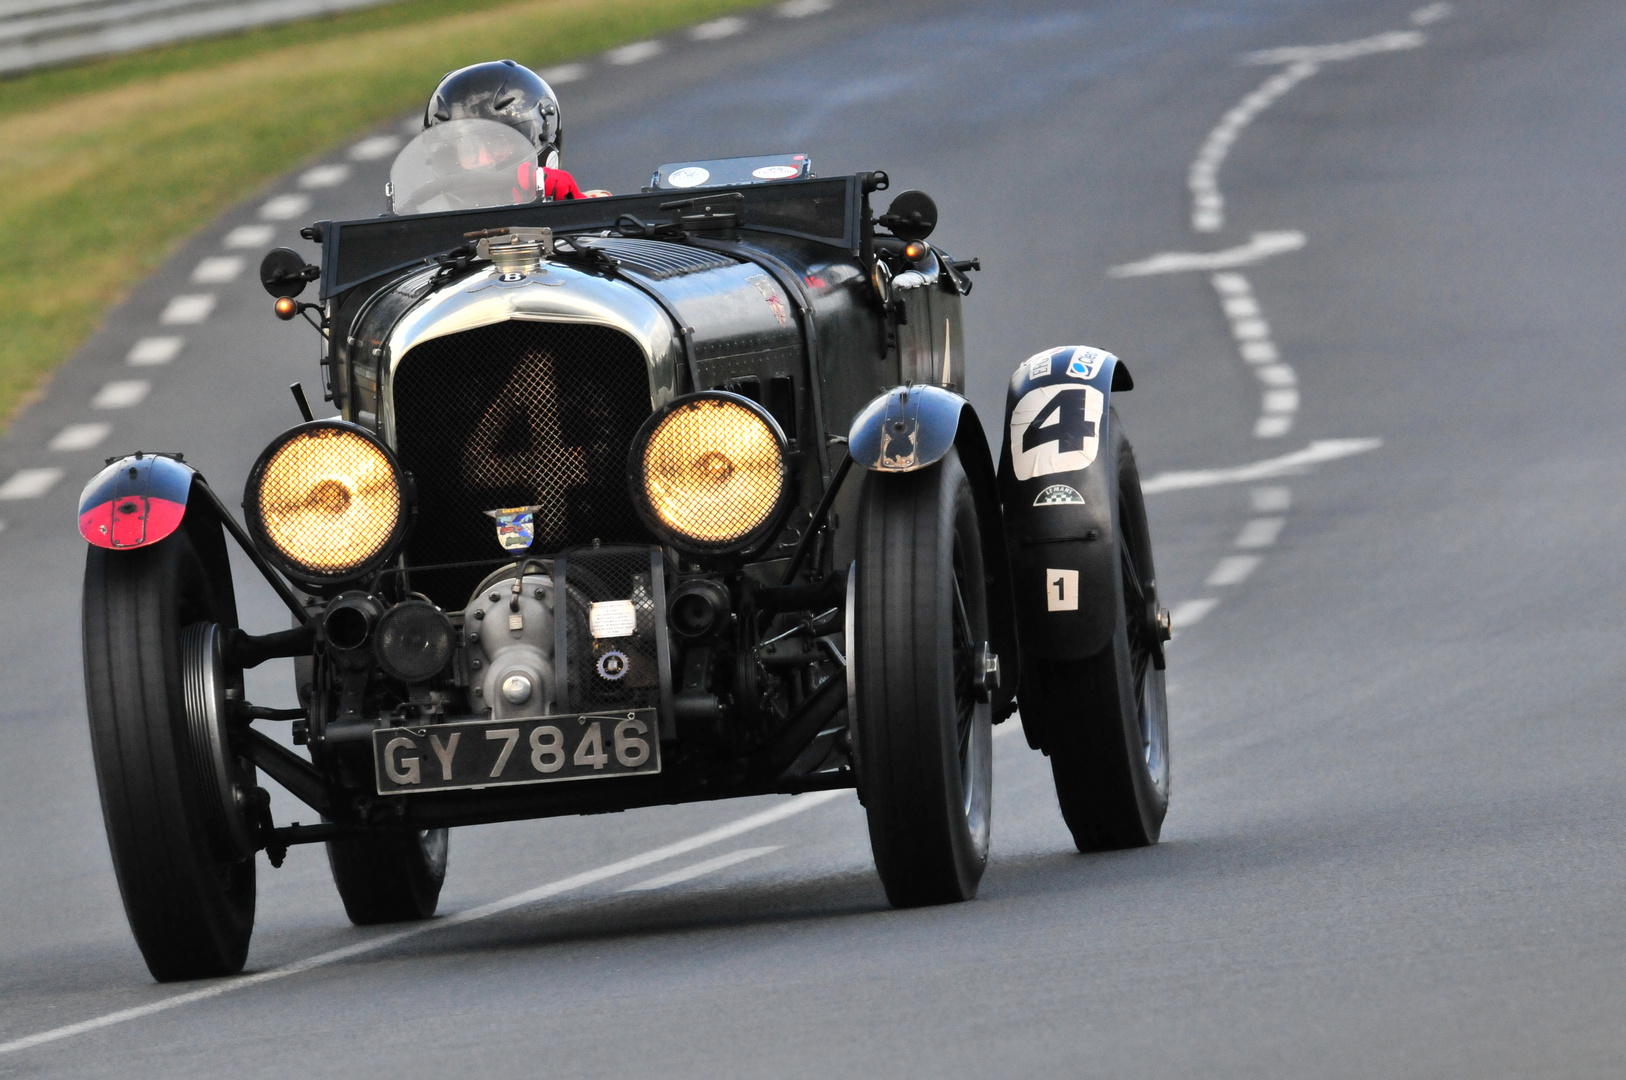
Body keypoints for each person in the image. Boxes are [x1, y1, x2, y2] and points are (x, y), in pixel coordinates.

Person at [423, 60, 609, 200]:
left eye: (497, 143)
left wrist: (571, 210)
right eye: (468, 149)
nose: (483, 162)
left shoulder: (596, 208)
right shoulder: (432, 230)